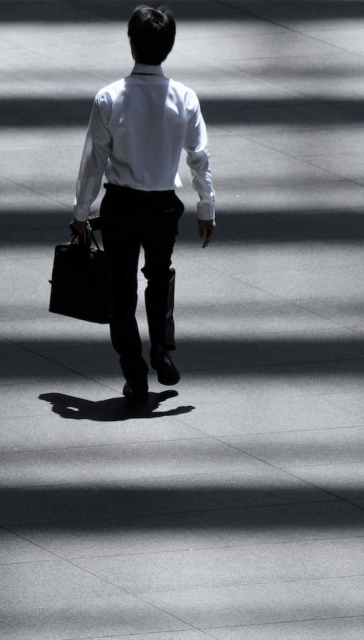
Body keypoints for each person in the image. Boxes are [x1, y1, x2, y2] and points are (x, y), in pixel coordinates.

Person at [71, 4, 215, 404]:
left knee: (122, 287)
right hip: (163, 207)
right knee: (160, 276)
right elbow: (199, 157)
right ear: (168, 47)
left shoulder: (109, 97)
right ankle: (162, 351)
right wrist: (206, 207)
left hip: (120, 204)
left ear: (132, 43)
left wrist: (82, 213)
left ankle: (134, 374)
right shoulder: (185, 98)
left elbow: (93, 162)